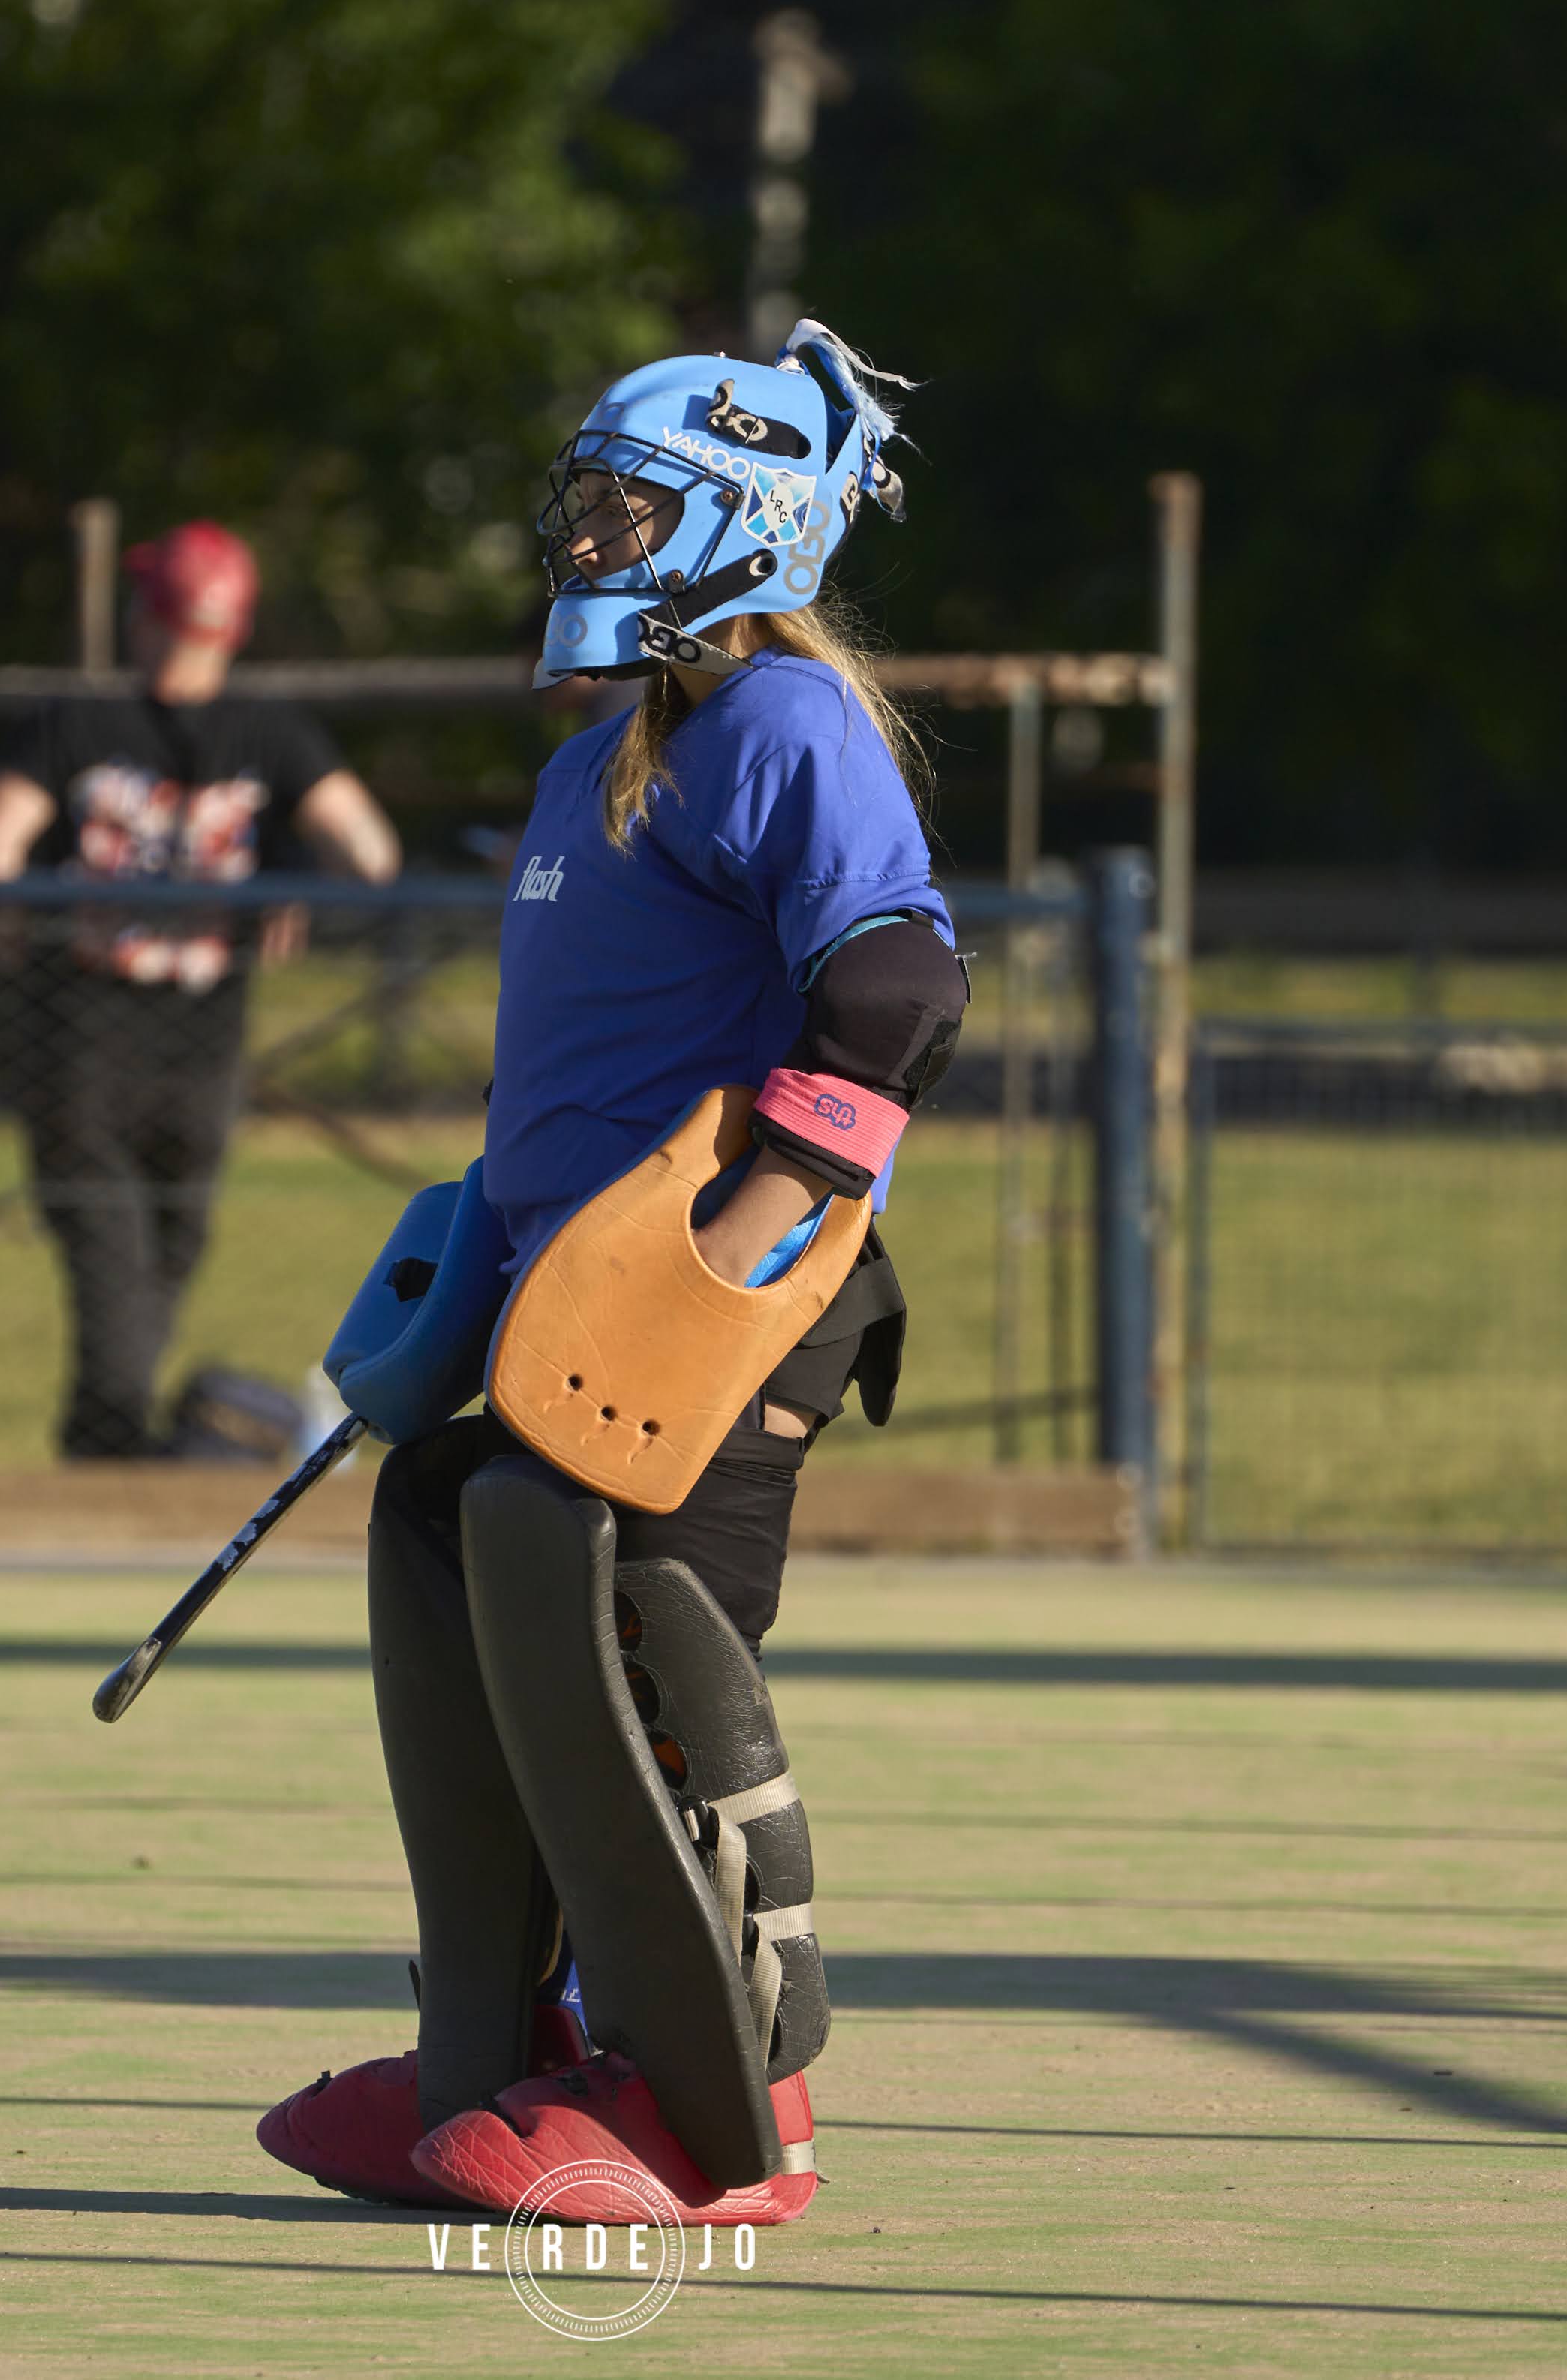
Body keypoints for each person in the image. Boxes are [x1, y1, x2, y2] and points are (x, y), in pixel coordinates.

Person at [255, 324, 964, 2227]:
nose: (584, 543)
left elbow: (895, 981)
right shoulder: (599, 768)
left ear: (741, 526)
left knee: (631, 1618)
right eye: (583, 505)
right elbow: (565, 1084)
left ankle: (730, 2109)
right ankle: (495, 2054)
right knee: (440, 1515)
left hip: (725, 1302)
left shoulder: (785, 726)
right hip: (566, 1298)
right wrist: (449, 1288)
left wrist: (742, 1246)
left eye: (625, 508)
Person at [0, 521, 400, 1458]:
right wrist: (286, 882)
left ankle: (103, 1434)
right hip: (121, 1039)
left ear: (145, 615)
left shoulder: (90, 726)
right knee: (128, 1241)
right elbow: (368, 852)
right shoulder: (246, 734)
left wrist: (16, 935)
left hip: (118, 1031)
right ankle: (110, 1435)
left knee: (158, 1241)